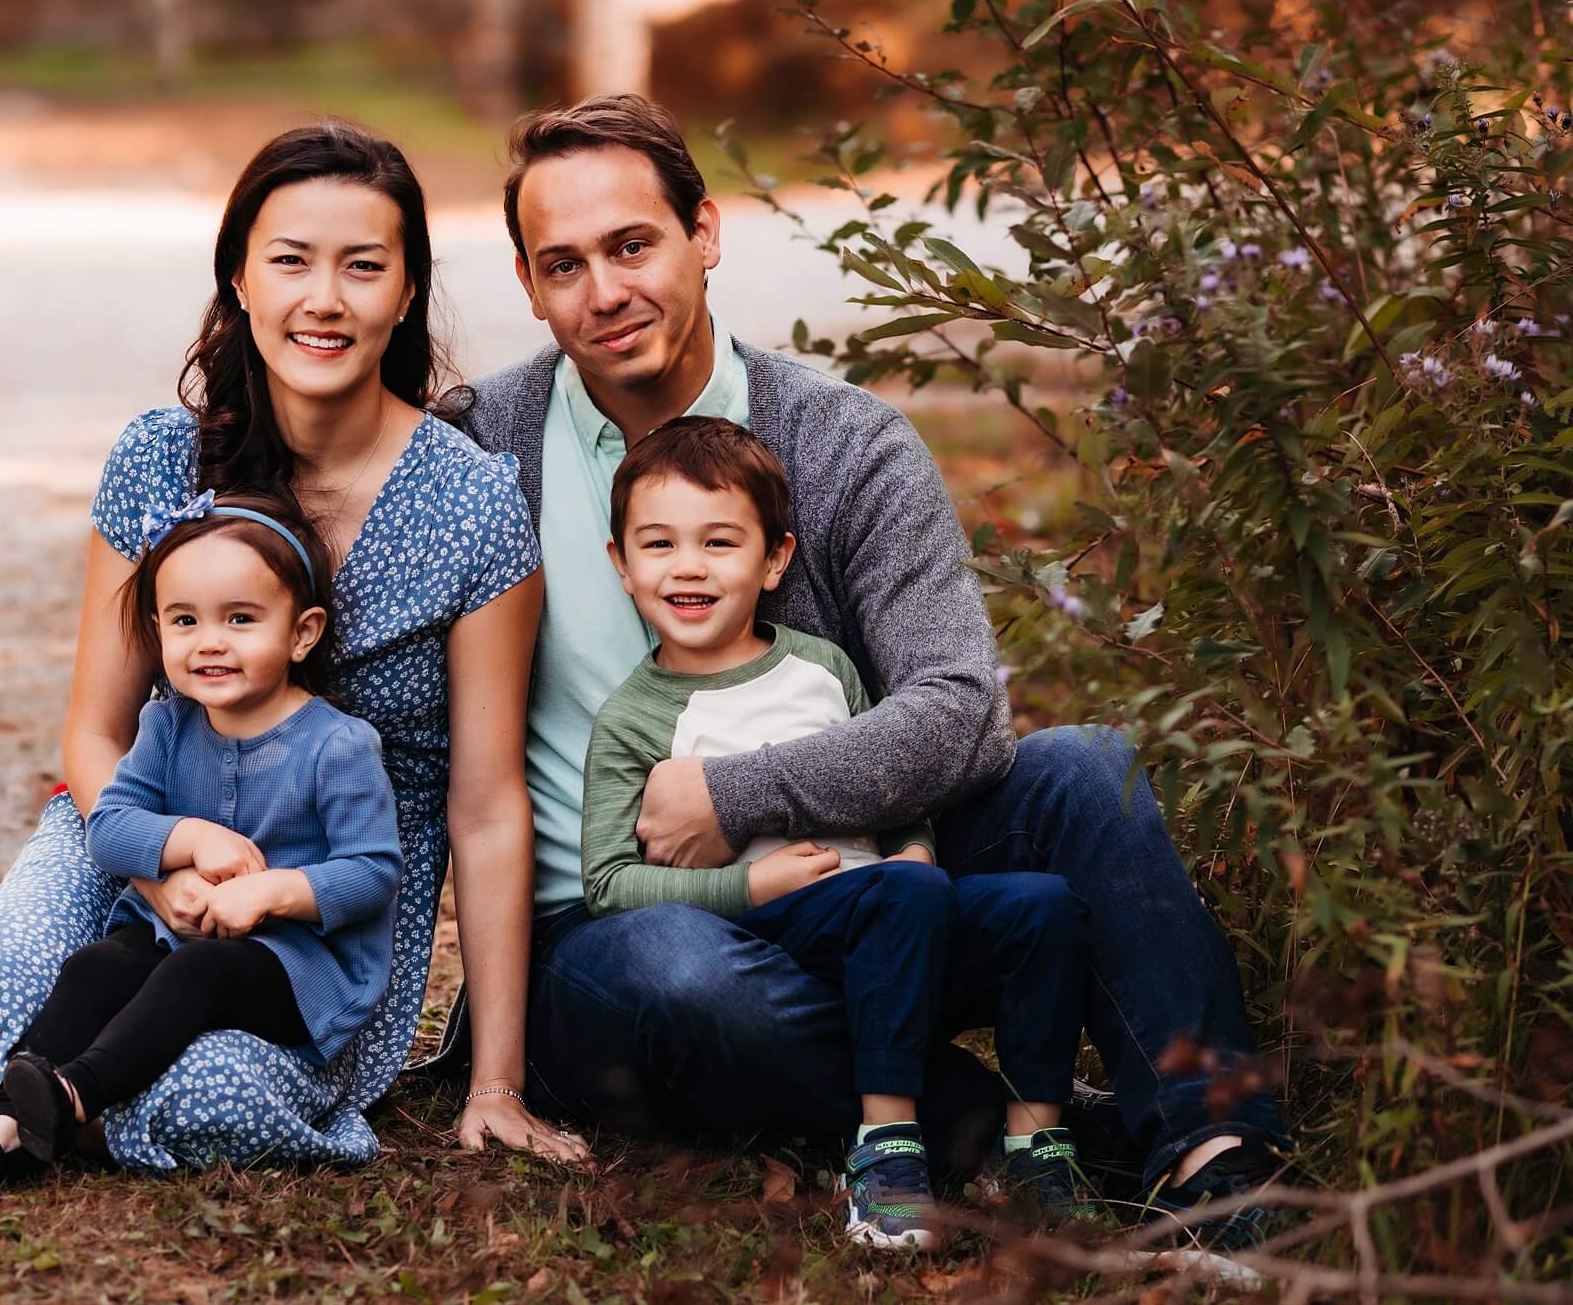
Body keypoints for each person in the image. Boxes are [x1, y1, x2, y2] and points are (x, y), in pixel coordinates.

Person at [452, 93, 1287, 1245]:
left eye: (631, 244)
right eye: (563, 264)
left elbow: (958, 715)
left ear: (703, 230)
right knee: (684, 975)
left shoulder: (842, 442)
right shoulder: (483, 443)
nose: (603, 292)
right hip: (616, 931)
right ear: (527, 282)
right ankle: (998, 1122)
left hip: (860, 882)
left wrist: (732, 797)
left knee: (1083, 772)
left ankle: (1212, 1153)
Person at [0, 120, 589, 1169]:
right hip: (135, 830)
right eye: (289, 260)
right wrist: (159, 874)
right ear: (238, 278)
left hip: (318, 914)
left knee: (213, 1098)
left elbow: (483, 804)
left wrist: (496, 1083)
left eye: (362, 267)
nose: (323, 299)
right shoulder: (161, 461)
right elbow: (94, 733)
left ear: (407, 289)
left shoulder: (471, 501)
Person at [580, 416, 1094, 1248]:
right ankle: (887, 1150)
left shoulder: (825, 668)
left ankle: (1034, 1141)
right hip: (774, 936)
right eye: (659, 544)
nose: (688, 567)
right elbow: (608, 885)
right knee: (902, 894)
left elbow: (894, 792)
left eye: (719, 542)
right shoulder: (634, 720)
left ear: (775, 559)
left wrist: (919, 851)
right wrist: (750, 885)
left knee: (1043, 906)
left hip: (896, 908)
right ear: (620, 564)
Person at [0, 489, 404, 1184]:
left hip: (297, 970)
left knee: (198, 973)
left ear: (302, 632)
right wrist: (187, 840)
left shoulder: (337, 746)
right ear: (157, 630)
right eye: (184, 619)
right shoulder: (168, 727)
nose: (209, 640)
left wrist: (272, 893)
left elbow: (373, 871)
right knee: (96, 968)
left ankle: (72, 1094)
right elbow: (108, 829)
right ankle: (3, 1129)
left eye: (240, 618)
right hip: (178, 934)